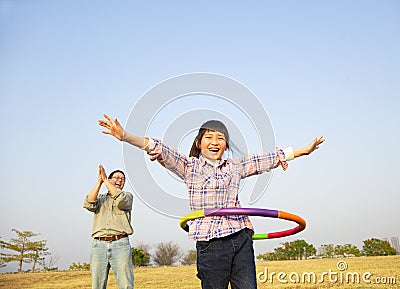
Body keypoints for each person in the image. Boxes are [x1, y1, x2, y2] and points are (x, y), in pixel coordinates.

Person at [98, 114, 324, 289]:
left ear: (226, 145)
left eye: (221, 138)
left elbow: (266, 159)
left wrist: (303, 151)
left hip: (241, 236)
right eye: (209, 137)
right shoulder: (189, 167)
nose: (215, 142)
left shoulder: (235, 167)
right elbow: (158, 147)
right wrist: (125, 136)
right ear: (199, 143)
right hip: (210, 242)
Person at [83, 164, 134, 289]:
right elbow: (89, 203)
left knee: (126, 285)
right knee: (97, 285)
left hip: (120, 244)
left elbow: (121, 199)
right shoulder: (100, 198)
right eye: (116, 178)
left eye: (122, 179)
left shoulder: (127, 196)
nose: (120, 181)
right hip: (98, 245)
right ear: (110, 180)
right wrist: (100, 182)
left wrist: (106, 180)